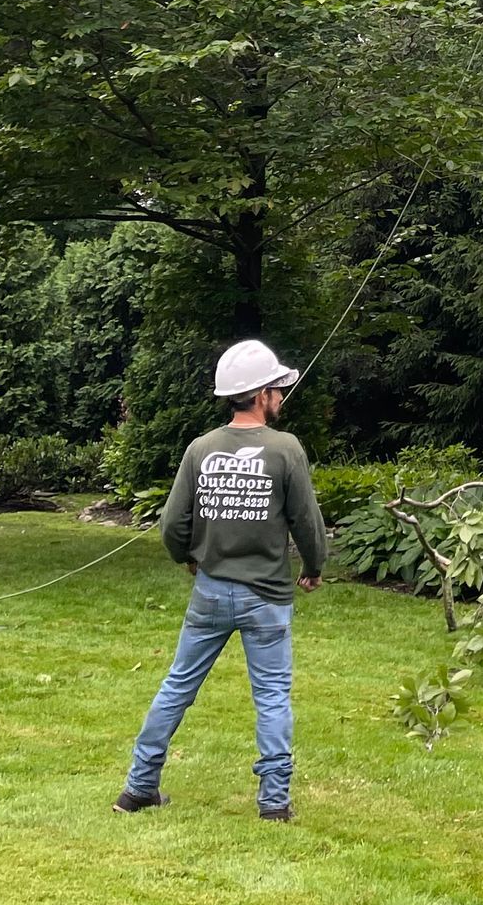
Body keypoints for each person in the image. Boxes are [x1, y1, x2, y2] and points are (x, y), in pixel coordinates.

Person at [114, 339, 327, 822]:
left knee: (177, 687)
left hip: (209, 593)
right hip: (267, 598)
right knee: (271, 697)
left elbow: (173, 524)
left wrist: (187, 557)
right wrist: (314, 567)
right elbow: (307, 522)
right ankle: (274, 803)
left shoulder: (200, 449)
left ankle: (138, 789)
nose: (280, 396)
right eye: (276, 388)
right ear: (261, 394)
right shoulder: (286, 449)